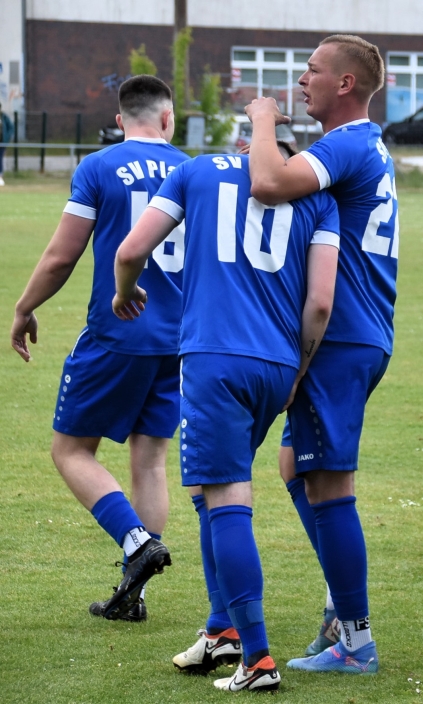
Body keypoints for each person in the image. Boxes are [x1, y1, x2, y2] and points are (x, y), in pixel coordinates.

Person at [113, 143, 340, 692]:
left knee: (226, 497)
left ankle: (257, 659)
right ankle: (223, 629)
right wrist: (298, 369)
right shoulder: (318, 198)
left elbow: (130, 250)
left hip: (214, 358)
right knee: (207, 490)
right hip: (277, 364)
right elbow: (319, 303)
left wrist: (125, 291)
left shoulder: (195, 171)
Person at [244, 34, 398, 674]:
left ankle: (355, 641)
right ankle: (341, 605)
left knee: (331, 484)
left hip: (340, 336)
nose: (302, 80)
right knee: (294, 465)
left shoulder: (347, 142)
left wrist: (261, 121)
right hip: (357, 332)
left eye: (312, 70)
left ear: (345, 84)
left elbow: (268, 183)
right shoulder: (363, 143)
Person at [9, 76, 184, 621]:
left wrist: (24, 307)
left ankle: (136, 542)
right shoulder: (192, 168)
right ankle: (135, 597)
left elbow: (62, 256)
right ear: (168, 118)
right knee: (150, 460)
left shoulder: (99, 166)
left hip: (118, 331)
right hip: (180, 339)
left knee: (70, 450)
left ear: (119, 120)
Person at [0, 101, 13, 186]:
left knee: (0, 158)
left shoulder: (4, 117)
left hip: (2, 143)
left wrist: (6, 139)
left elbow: (11, 128)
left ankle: (0, 176)